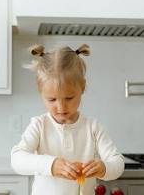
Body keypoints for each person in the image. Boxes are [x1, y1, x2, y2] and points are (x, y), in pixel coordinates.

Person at [10, 44, 125, 195]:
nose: (61, 107)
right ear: (40, 91)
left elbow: (118, 162)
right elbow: (17, 160)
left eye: (69, 98)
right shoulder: (39, 125)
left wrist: (104, 168)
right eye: (52, 99)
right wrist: (51, 165)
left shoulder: (93, 127)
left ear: (82, 87)